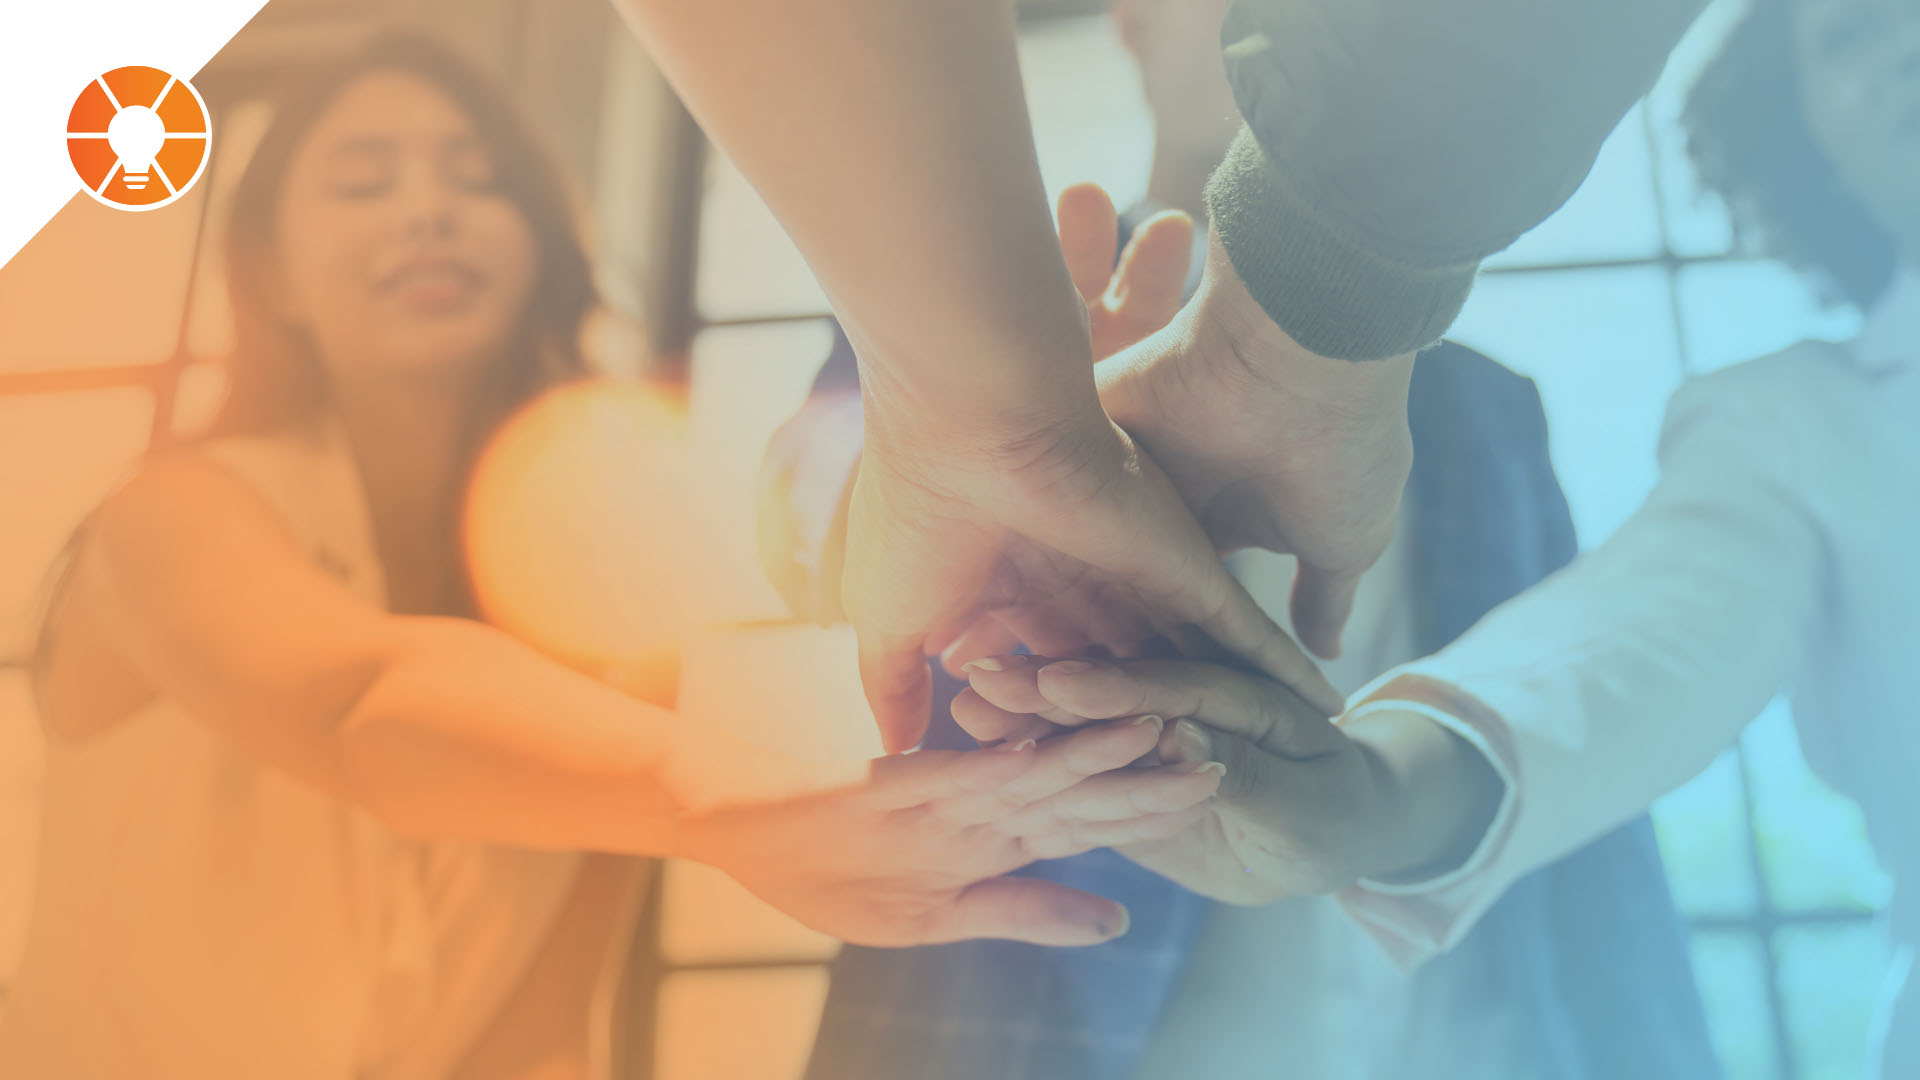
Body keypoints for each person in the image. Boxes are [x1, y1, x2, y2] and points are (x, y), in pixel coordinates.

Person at [0, 34, 1224, 1080]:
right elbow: (361, 704)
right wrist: (742, 806)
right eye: (364, 182)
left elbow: (541, 1023)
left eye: (477, 180)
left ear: (540, 241)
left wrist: (1041, 505)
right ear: (271, 273)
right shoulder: (169, 518)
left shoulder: (592, 601)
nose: (428, 208)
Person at [762, 8, 1717, 1074]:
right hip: (1052, 1036)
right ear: (1129, 25)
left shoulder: (1484, 402)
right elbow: (818, 531)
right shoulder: (964, 313)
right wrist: (1019, 425)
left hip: (1466, 1034)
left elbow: (1562, 709)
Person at [996, 0, 1920, 1074]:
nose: (1910, 42)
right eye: (1850, 32)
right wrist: (1366, 794)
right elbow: (1617, 652)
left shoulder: (1480, 402)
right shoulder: (1801, 430)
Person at [609, 0, 1716, 747]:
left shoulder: (1476, 395)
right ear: (1129, 23)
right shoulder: (936, 291)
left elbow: (1546, 692)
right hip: (1048, 996)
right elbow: (808, 506)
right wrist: (972, 448)